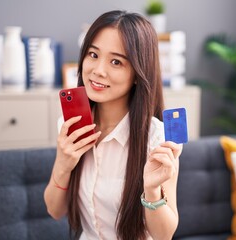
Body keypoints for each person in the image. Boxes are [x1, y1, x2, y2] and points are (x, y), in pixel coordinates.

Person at [44, 10, 183, 240]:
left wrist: (151, 190)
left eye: (116, 61)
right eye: (93, 54)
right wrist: (63, 163)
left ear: (138, 73)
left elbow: (163, 235)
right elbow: (54, 210)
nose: (98, 70)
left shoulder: (156, 137)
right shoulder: (72, 126)